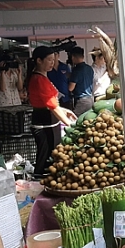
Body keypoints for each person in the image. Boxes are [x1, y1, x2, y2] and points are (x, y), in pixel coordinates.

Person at [27, 46, 78, 176]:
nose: (52, 63)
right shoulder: (39, 80)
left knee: (50, 157)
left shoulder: (42, 78)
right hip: (44, 124)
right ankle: (40, 185)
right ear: (39, 60)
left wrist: (65, 110)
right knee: (45, 159)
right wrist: (70, 125)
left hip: (49, 123)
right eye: (49, 60)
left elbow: (51, 104)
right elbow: (52, 106)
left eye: (53, 59)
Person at [68, 46, 94, 116]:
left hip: (82, 101)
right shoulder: (89, 68)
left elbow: (71, 88)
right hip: (91, 99)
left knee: (74, 120)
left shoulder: (76, 70)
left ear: (73, 57)